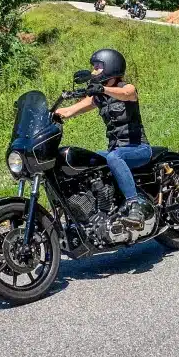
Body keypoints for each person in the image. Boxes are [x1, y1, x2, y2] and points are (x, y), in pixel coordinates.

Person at [54, 48, 152, 230]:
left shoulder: (126, 89)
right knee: (87, 162)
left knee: (114, 157)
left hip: (138, 148)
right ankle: (95, 213)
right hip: (115, 150)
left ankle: (134, 205)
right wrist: (53, 113)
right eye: (93, 68)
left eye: (98, 67)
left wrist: (103, 88)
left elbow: (127, 94)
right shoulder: (98, 97)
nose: (93, 71)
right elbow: (71, 110)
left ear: (111, 67)